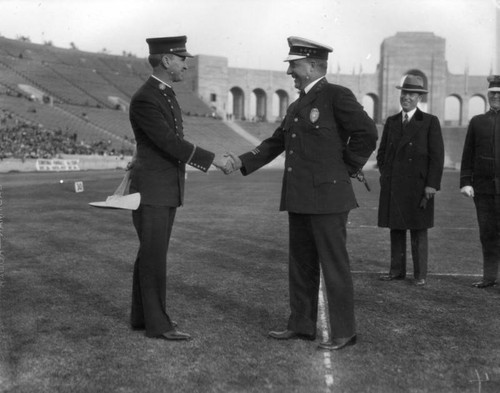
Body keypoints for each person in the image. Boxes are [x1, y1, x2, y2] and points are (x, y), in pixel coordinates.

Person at [225, 36, 378, 350]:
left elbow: (367, 133)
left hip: (329, 197)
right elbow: (275, 142)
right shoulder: (297, 105)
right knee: (301, 265)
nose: (289, 72)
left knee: (334, 265)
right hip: (300, 197)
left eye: (293, 66)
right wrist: (240, 161)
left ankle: (344, 331)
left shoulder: (336, 95)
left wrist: (346, 167)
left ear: (311, 66)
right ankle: (302, 324)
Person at [128, 35, 228, 340]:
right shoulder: (148, 97)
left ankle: (141, 318)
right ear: (166, 60)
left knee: (150, 254)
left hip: (162, 188)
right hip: (154, 189)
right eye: (182, 59)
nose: (186, 65)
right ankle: (158, 325)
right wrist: (213, 160)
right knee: (154, 256)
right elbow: (169, 142)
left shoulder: (163, 94)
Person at [377, 74, 444, 287]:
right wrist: (386, 174)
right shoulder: (392, 121)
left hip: (419, 186)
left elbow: (437, 156)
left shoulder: (430, 122)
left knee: (418, 229)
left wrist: (432, 184)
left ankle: (419, 274)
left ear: (419, 98)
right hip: (395, 184)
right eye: (404, 93)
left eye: (411, 94)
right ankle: (396, 271)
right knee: (396, 228)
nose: (406, 97)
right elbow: (382, 152)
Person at [460, 75, 500, 288]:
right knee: (488, 234)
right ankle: (489, 277)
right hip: (483, 190)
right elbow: (467, 155)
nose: (495, 96)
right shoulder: (477, 122)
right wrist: (466, 182)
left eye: (499, 93)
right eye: (493, 92)